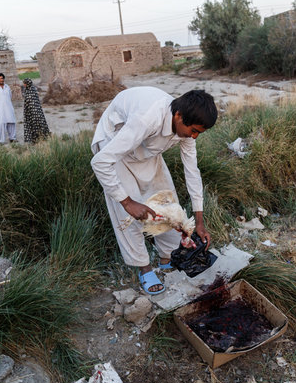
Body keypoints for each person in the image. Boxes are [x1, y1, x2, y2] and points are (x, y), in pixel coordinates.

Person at [91, 87, 217, 295]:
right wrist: (127, 202)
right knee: (129, 216)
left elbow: (192, 172)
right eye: (193, 131)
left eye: (199, 133)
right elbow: (100, 162)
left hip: (146, 149)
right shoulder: (147, 118)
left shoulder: (185, 128)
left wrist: (199, 221)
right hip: (114, 146)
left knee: (168, 207)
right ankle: (145, 269)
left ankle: (167, 259)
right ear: (178, 116)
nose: (194, 137)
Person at [22, 78, 51, 144]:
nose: (23, 84)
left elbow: (32, 102)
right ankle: (38, 139)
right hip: (33, 111)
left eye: (24, 83)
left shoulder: (30, 91)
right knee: (35, 125)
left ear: (27, 83)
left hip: (34, 112)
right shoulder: (29, 90)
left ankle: (38, 139)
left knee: (35, 124)